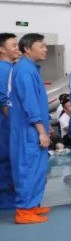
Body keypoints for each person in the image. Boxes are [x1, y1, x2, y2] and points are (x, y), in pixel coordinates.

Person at [9, 33, 51, 224]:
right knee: (27, 168)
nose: (45, 49)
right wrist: (41, 131)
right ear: (27, 49)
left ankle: (32, 205)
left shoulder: (31, 69)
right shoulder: (25, 71)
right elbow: (30, 104)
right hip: (29, 130)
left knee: (36, 169)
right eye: (41, 46)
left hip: (33, 127)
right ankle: (24, 211)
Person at [0, 33, 21, 210]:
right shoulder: (3, 70)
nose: (17, 48)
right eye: (13, 45)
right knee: (5, 159)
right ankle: (5, 199)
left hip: (12, 123)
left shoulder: (14, 69)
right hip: (5, 124)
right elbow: (5, 102)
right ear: (2, 49)